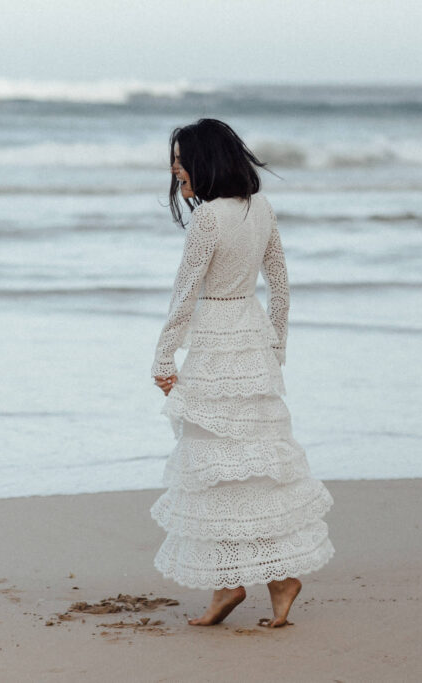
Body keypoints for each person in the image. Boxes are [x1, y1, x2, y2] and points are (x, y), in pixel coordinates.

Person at [151, 119, 333, 627]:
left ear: (205, 161)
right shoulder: (261, 210)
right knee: (256, 468)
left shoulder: (209, 219)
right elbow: (279, 283)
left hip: (214, 344)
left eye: (182, 157)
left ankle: (231, 583)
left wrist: (163, 359)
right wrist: (276, 346)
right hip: (251, 341)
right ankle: (277, 579)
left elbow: (184, 294)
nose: (175, 168)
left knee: (215, 468)